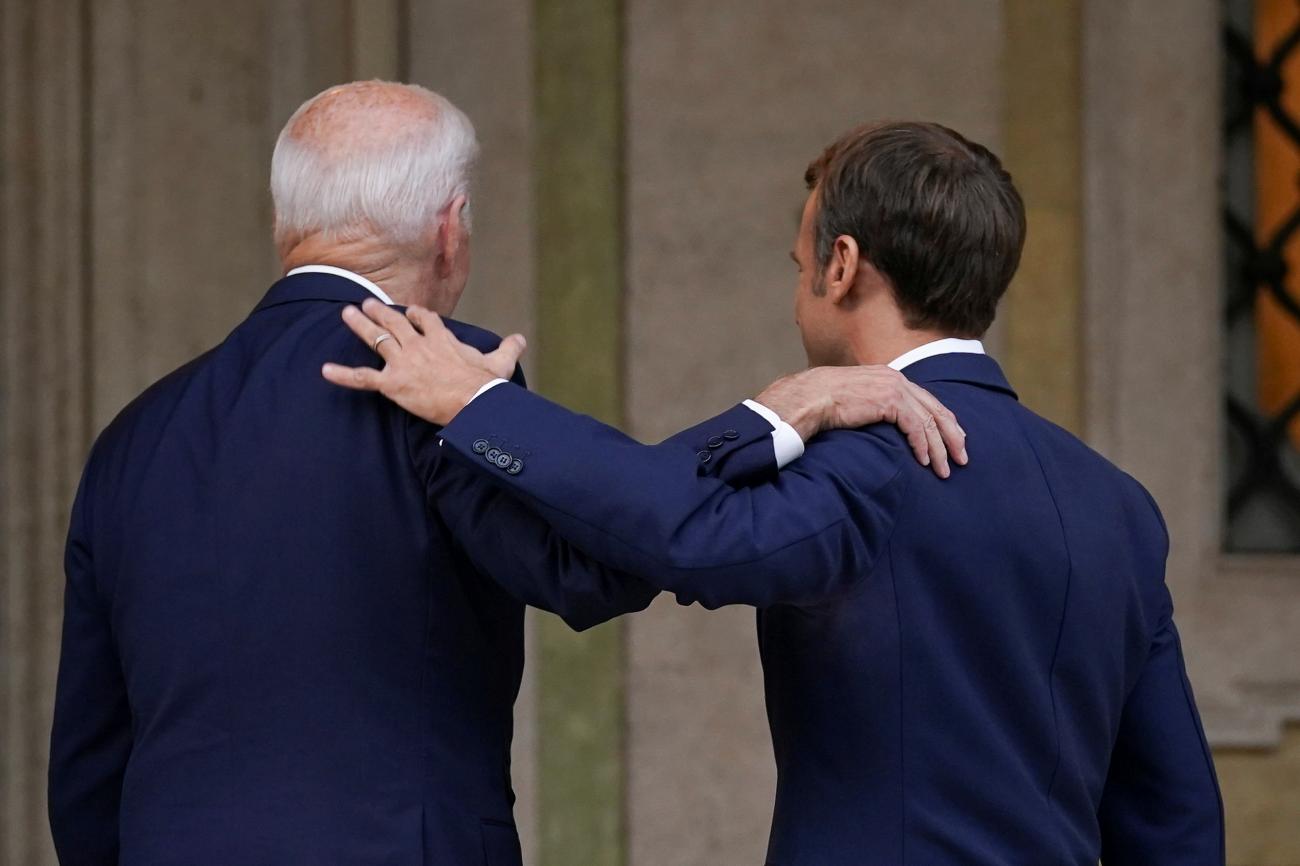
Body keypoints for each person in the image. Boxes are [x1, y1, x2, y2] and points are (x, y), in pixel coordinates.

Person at [47, 82, 961, 866]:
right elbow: (593, 565)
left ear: (288, 222)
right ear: (452, 231)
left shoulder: (134, 436)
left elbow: (88, 765)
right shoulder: (442, 379)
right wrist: (774, 415)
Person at [328, 121, 1226, 865]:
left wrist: (476, 404)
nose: (799, 294)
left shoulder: (876, 460)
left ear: (841, 266)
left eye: (797, 265)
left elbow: (682, 532)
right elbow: (1172, 814)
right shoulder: (1118, 504)